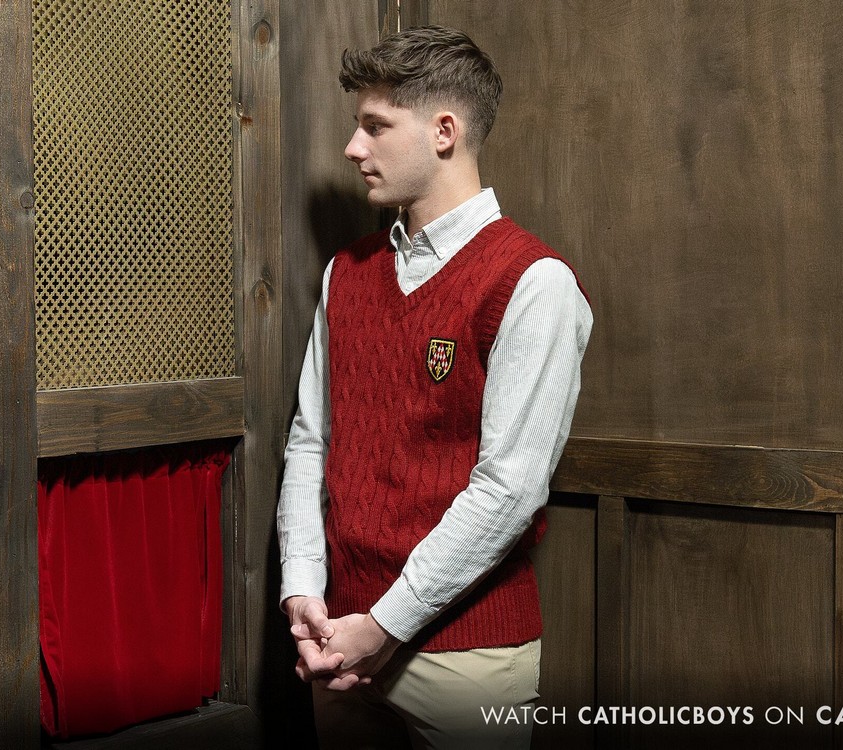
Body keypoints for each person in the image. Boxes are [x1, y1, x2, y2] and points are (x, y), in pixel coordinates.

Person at [276, 25, 592, 749]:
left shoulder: (532, 281)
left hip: (465, 657)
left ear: (444, 131)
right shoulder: (345, 272)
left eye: (375, 126)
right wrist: (302, 591)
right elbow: (310, 442)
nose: (353, 147)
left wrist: (384, 627)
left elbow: (509, 488)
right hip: (335, 637)